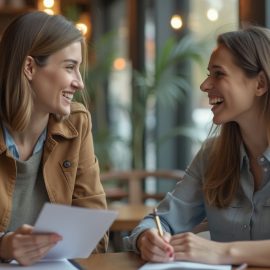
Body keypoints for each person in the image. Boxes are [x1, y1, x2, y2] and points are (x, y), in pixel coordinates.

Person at [124, 25, 270, 267]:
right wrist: (147, 239)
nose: (204, 85)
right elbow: (161, 220)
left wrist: (224, 252)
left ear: (260, 84)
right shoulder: (213, 155)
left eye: (218, 74)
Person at [0, 11, 108, 265]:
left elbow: (95, 229)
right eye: (70, 67)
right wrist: (3, 245)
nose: (80, 83)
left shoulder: (76, 124)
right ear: (29, 67)